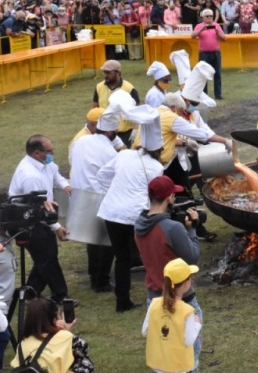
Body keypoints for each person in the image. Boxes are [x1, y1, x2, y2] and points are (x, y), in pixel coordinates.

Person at [97, 107, 165, 313]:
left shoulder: (124, 155)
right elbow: (156, 195)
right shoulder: (156, 167)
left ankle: (122, 300)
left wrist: (115, 191)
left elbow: (102, 175)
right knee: (147, 256)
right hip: (134, 215)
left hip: (111, 212)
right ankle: (156, 294)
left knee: (122, 257)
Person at [136, 176, 203, 371]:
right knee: (189, 355)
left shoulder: (139, 224)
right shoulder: (172, 228)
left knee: (163, 352)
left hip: (154, 299)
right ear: (170, 197)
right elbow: (193, 257)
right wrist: (192, 230)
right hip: (182, 299)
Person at [8, 135, 72, 304]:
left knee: (45, 257)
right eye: (49, 151)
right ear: (37, 153)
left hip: (39, 218)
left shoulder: (44, 163)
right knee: (47, 258)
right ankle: (60, 295)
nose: (52, 154)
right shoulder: (31, 176)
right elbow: (41, 207)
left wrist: (65, 185)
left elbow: (56, 174)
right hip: (29, 222)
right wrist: (57, 227)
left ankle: (29, 293)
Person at [69, 109, 121, 294]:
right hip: (100, 198)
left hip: (80, 196)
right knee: (107, 241)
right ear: (109, 132)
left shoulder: (80, 141)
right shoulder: (109, 151)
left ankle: (93, 275)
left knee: (91, 240)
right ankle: (102, 281)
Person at [142, 258, 202, 373]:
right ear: (186, 284)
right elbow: (189, 341)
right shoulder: (187, 311)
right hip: (179, 367)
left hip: (157, 366)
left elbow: (145, 331)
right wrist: (197, 324)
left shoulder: (154, 304)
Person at [10, 297, 78, 373]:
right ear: (54, 320)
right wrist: (66, 330)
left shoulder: (22, 345)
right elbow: (85, 367)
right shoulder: (67, 337)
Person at [91, 59, 140, 147]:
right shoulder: (99, 87)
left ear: (117, 72)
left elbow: (137, 111)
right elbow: (95, 108)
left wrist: (135, 130)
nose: (105, 75)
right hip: (105, 133)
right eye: (104, 72)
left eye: (108, 72)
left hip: (125, 134)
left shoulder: (129, 88)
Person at [191, 9, 226, 100]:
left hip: (215, 53)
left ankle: (218, 94)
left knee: (217, 73)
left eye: (211, 16)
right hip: (204, 53)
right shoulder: (199, 26)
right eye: (207, 16)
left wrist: (218, 33)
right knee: (203, 74)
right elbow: (192, 36)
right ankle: (204, 94)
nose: (209, 18)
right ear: (203, 17)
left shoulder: (217, 25)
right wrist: (201, 30)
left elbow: (224, 38)